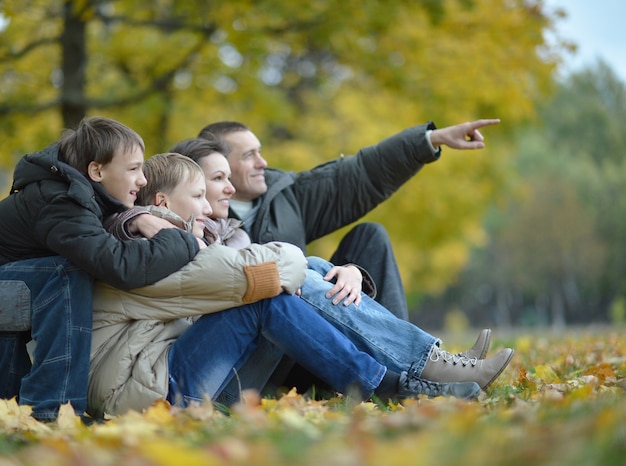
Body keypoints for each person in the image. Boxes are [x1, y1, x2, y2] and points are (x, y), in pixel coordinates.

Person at [88, 159, 484, 418]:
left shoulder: (166, 239)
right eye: (198, 197)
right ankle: (401, 377)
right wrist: (287, 270)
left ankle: (405, 373)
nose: (208, 208)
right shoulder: (150, 247)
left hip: (166, 379)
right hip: (154, 397)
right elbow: (268, 268)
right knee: (274, 291)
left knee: (287, 281)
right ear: (162, 201)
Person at [0, 116, 204, 422]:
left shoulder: (77, 193)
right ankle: (51, 412)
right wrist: (182, 240)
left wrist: (134, 216)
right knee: (67, 273)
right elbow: (119, 266)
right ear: (96, 170)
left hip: (13, 282)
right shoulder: (60, 201)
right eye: (133, 169)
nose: (143, 180)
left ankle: (39, 408)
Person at [197, 118, 500, 321]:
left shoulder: (284, 194)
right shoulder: (197, 215)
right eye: (250, 155)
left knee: (370, 236)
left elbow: (361, 174)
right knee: (311, 267)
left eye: (260, 152)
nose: (262, 162)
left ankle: (409, 364)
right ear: (221, 163)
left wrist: (431, 139)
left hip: (314, 323)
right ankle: (410, 367)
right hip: (268, 340)